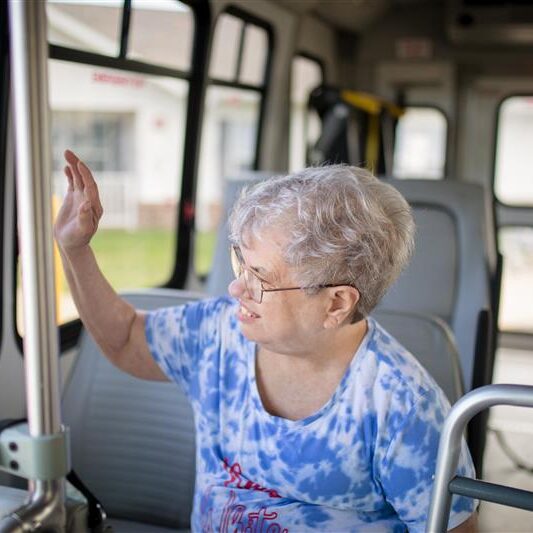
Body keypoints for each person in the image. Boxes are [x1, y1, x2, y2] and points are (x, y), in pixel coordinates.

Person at [55, 150, 478, 532]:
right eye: (242, 266)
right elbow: (127, 338)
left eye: (261, 279)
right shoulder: (219, 331)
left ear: (336, 304)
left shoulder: (404, 407)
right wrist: (75, 250)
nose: (237, 290)